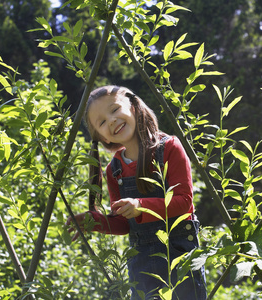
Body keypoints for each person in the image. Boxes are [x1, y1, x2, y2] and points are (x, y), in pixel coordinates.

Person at [66, 85, 206, 300]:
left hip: (180, 253)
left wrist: (141, 205)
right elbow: (123, 224)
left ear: (133, 106)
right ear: (103, 138)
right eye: (102, 122)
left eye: (114, 110)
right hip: (142, 261)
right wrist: (94, 222)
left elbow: (184, 201)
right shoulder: (114, 171)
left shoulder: (169, 147)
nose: (111, 120)